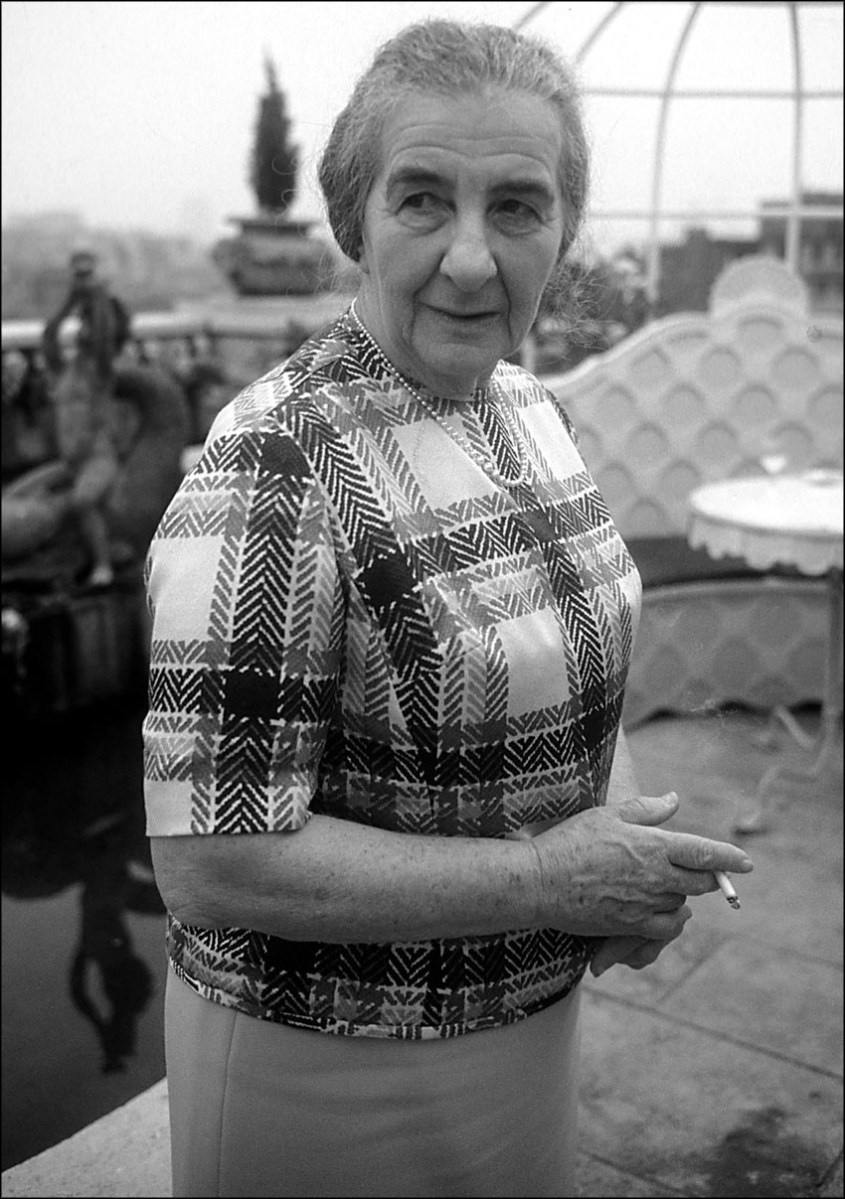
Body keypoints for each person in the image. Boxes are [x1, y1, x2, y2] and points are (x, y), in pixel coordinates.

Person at [143, 20, 753, 1199]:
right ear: (353, 221)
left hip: (523, 1028)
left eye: (516, 207)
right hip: (326, 1071)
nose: (471, 259)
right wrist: (550, 882)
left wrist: (625, 850)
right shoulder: (278, 460)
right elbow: (212, 862)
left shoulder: (528, 408)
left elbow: (572, 668)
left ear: (562, 233)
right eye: (421, 198)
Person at [41, 246, 131, 588]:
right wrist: (70, 300)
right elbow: (49, 336)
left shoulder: (99, 371)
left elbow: (106, 340)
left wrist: (98, 298)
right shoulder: (64, 372)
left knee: (83, 501)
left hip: (99, 456)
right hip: (73, 461)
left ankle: (103, 565)